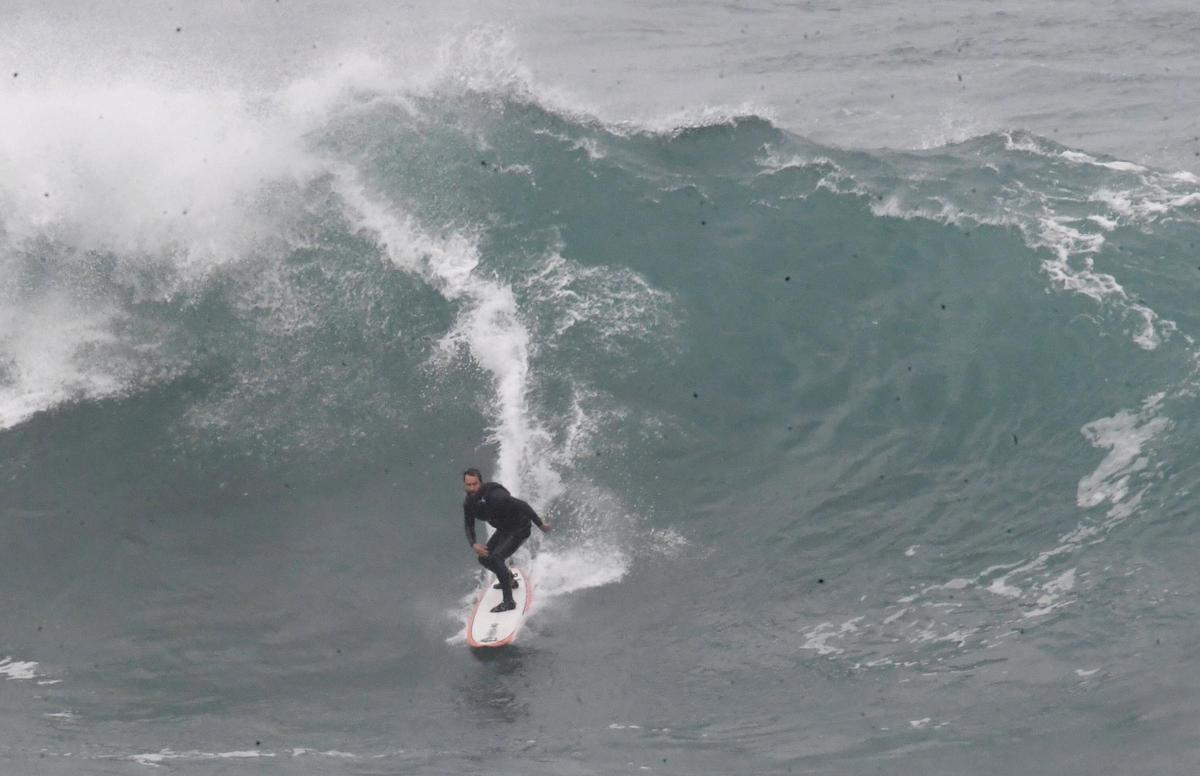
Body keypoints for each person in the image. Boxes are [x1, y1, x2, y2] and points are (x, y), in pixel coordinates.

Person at [462, 468, 551, 612]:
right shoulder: (469, 503)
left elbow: (523, 505)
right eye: (468, 485)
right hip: (504, 529)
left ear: (481, 483)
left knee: (497, 558)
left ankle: (509, 602)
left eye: (475, 484)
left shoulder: (496, 496)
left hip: (520, 527)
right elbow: (468, 524)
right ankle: (509, 579)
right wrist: (473, 544)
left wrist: (540, 524)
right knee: (484, 558)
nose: (472, 488)